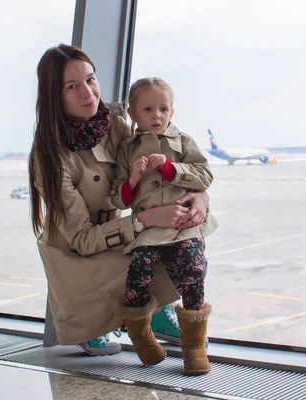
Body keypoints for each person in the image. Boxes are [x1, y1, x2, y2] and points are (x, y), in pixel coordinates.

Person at [28, 44, 211, 356]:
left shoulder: (116, 124)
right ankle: (101, 320)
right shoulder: (49, 157)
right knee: (147, 246)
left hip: (121, 233)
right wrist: (144, 222)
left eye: (91, 79)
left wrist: (199, 194)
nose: (88, 93)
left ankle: (156, 311)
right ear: (54, 97)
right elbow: (82, 239)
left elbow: (165, 163)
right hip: (79, 252)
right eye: (72, 86)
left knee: (183, 241)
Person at [110, 78, 217, 375]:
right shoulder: (128, 149)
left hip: (184, 225)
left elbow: (205, 176)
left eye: (163, 109)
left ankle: (194, 346)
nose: (157, 115)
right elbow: (115, 197)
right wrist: (132, 179)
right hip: (148, 230)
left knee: (194, 271)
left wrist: (172, 170)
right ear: (133, 113)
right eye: (148, 109)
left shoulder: (182, 141)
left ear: (172, 111)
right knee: (138, 271)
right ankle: (141, 336)